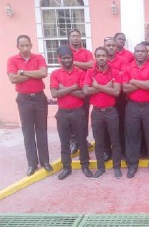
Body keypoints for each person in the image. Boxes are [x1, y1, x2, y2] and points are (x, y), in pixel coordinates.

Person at [7, 35, 53, 176]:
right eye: (22, 46)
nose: (25, 48)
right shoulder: (12, 60)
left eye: (27, 45)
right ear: (18, 47)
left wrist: (23, 72)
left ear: (31, 45)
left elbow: (43, 73)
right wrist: (34, 75)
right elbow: (13, 78)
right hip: (24, 100)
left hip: (39, 98)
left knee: (41, 131)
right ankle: (32, 164)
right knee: (28, 132)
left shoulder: (38, 58)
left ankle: (45, 161)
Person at [50, 45, 93, 180]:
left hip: (78, 112)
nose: (66, 60)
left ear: (72, 58)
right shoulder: (55, 74)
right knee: (64, 142)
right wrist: (74, 87)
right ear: (59, 59)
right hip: (63, 113)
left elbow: (83, 95)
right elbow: (54, 93)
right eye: (64, 58)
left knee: (82, 140)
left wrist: (65, 88)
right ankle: (66, 167)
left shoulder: (80, 73)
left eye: (68, 57)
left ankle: (85, 166)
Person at [122, 43, 149, 178]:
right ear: (134, 53)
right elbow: (125, 89)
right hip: (132, 106)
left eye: (142, 51)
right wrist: (143, 83)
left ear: (147, 54)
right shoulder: (128, 68)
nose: (139, 53)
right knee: (132, 136)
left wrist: (134, 81)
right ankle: (132, 165)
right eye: (137, 51)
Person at [83, 47, 122, 179]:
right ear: (95, 57)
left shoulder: (115, 72)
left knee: (115, 141)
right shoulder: (90, 72)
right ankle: (101, 168)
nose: (101, 58)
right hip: (97, 112)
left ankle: (117, 167)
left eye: (103, 56)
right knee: (98, 142)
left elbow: (116, 92)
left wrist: (98, 86)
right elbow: (86, 91)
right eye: (98, 56)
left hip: (111, 111)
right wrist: (107, 87)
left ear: (107, 57)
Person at [67, 29, 94, 153]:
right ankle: (73, 141)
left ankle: (83, 139)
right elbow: (65, 65)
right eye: (73, 36)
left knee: (84, 115)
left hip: (84, 87)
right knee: (72, 116)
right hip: (71, 87)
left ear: (80, 38)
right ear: (69, 38)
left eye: (77, 36)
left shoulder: (87, 52)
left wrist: (74, 62)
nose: (75, 38)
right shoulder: (65, 51)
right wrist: (83, 64)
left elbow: (91, 65)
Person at [104, 37, 130, 160]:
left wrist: (110, 78)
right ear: (104, 46)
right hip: (105, 97)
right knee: (106, 127)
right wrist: (115, 76)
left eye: (112, 45)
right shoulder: (100, 60)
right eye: (108, 45)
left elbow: (123, 75)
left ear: (116, 47)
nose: (110, 47)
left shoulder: (123, 60)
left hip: (120, 98)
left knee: (121, 125)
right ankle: (107, 152)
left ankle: (123, 151)